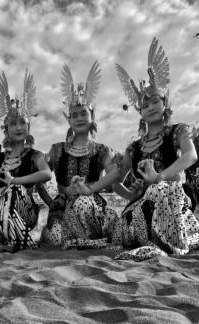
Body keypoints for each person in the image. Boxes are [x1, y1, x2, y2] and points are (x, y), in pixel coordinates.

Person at [112, 36, 199, 261]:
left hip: (172, 195)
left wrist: (159, 176)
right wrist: (131, 193)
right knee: (138, 207)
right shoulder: (134, 147)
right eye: (144, 104)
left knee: (158, 190)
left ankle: (164, 244)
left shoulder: (178, 131)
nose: (150, 107)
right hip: (143, 202)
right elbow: (116, 181)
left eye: (154, 102)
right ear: (139, 112)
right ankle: (147, 240)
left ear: (165, 103)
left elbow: (191, 156)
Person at [39, 61, 120, 250]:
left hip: (91, 204)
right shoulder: (57, 149)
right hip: (63, 206)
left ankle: (88, 239)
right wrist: (52, 202)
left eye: (84, 113)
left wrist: (91, 189)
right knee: (53, 238)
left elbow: (114, 174)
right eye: (74, 115)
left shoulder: (101, 149)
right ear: (69, 120)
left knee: (84, 203)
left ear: (92, 116)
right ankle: (84, 240)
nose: (79, 118)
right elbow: (41, 179)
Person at [0, 70, 52, 251]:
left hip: (25, 212)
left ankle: (16, 239)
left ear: (29, 126)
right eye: (13, 124)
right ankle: (15, 239)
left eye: (22, 122)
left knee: (16, 190)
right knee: (6, 197)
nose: (18, 127)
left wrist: (14, 181)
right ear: (6, 129)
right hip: (0, 211)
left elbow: (46, 175)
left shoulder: (36, 156)